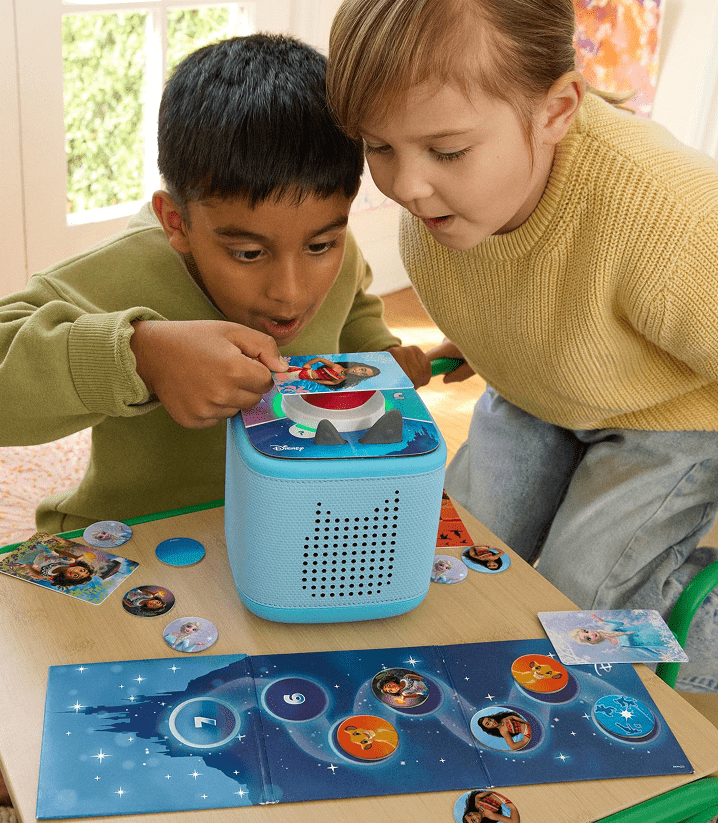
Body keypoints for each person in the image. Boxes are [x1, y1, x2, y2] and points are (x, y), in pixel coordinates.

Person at [326, 0, 718, 693]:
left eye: (447, 150)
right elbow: (537, 284)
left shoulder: (674, 221)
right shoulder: (436, 213)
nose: (406, 187)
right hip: (545, 391)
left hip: (669, 419)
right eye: (378, 147)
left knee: (577, 618)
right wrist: (491, 337)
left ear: (557, 110)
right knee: (450, 564)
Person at [0, 34, 431, 534]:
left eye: (319, 245)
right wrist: (141, 355)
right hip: (132, 538)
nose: (290, 293)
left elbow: (352, 302)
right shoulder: (121, 272)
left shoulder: (337, 248)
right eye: (248, 253)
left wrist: (379, 351)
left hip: (295, 523)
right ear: (177, 222)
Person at [274, 356, 381, 388]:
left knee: (277, 379)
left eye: (363, 374)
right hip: (302, 371)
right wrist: (308, 364)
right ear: (358, 365)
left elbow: (331, 383)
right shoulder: (336, 366)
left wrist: (313, 380)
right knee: (278, 369)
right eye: (362, 369)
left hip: (302, 377)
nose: (359, 372)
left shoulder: (342, 378)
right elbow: (320, 359)